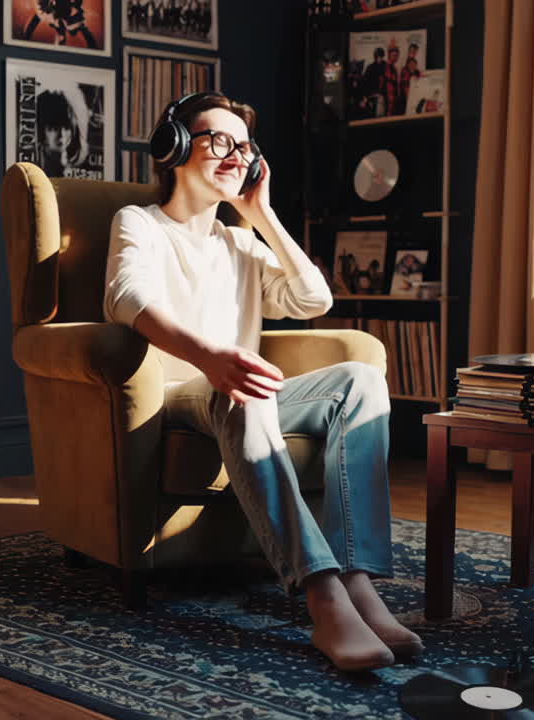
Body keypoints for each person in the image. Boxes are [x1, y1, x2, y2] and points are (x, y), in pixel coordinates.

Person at [103, 93, 422, 672]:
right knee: (242, 384)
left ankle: (358, 580)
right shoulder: (140, 223)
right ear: (173, 148)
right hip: (176, 395)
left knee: (360, 380)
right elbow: (126, 297)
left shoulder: (241, 242)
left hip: (242, 394)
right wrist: (209, 357)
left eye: (244, 147)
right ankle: (323, 596)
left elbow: (312, 298)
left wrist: (260, 216)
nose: (235, 156)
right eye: (219, 141)